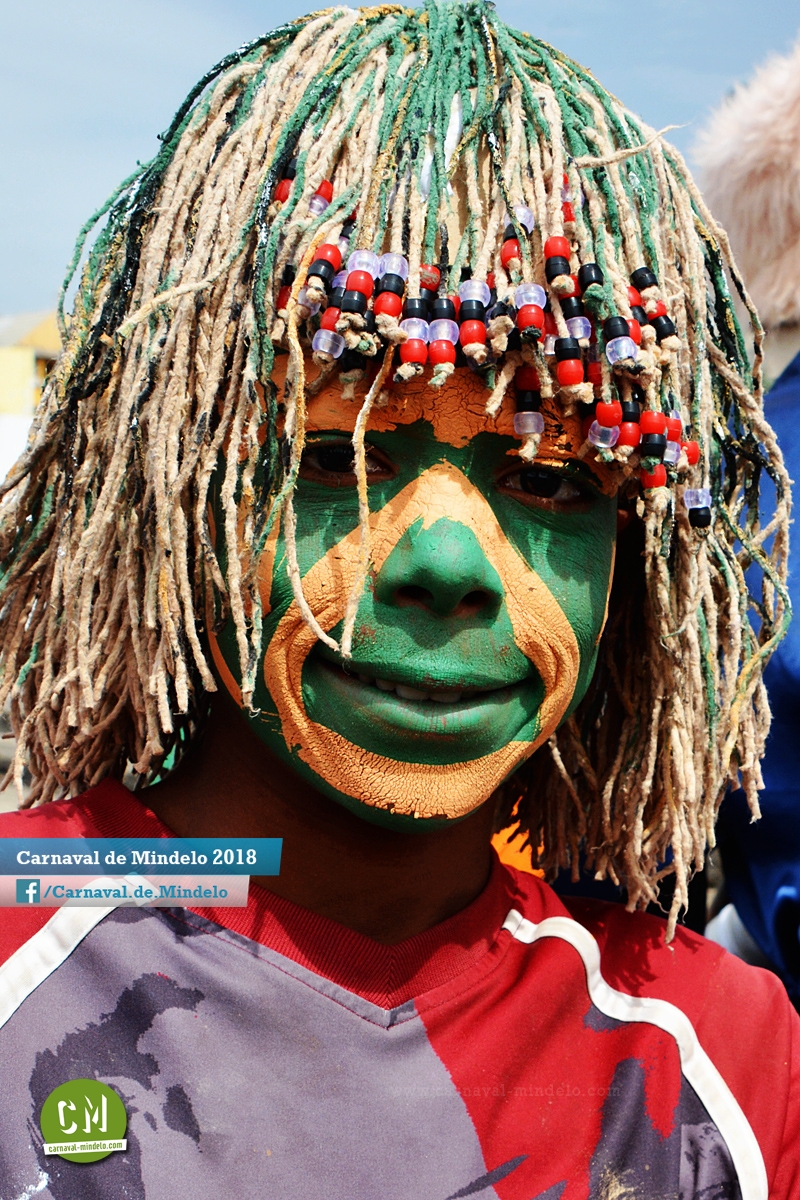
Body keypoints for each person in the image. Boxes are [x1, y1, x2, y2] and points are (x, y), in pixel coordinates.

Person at [0, 4, 796, 1196]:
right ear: (161, 493)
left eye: (549, 479)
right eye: (336, 456)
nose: (446, 564)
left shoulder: (724, 1055)